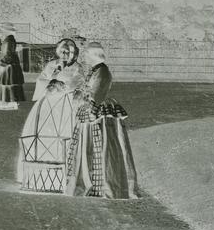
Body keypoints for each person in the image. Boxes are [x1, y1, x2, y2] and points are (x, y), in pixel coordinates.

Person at [65, 42, 140, 199]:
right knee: (91, 147)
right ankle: (90, 181)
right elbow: (87, 89)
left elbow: (97, 93)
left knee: (103, 146)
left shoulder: (103, 71)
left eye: (87, 54)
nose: (84, 57)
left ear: (94, 55)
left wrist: (90, 107)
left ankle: (106, 186)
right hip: (91, 109)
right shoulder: (95, 70)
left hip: (99, 113)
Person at [16, 38, 85, 189]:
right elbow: (41, 80)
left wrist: (64, 86)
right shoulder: (52, 65)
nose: (65, 54)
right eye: (62, 51)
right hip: (48, 104)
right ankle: (36, 175)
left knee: (62, 135)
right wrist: (51, 81)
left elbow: (78, 83)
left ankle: (61, 176)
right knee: (40, 133)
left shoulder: (77, 68)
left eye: (68, 52)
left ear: (74, 53)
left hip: (65, 105)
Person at [0, 34, 26, 104]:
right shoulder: (9, 40)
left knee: (9, 82)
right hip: (12, 64)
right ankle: (12, 99)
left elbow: (8, 53)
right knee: (11, 82)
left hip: (9, 66)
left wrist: (3, 62)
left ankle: (10, 99)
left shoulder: (8, 41)